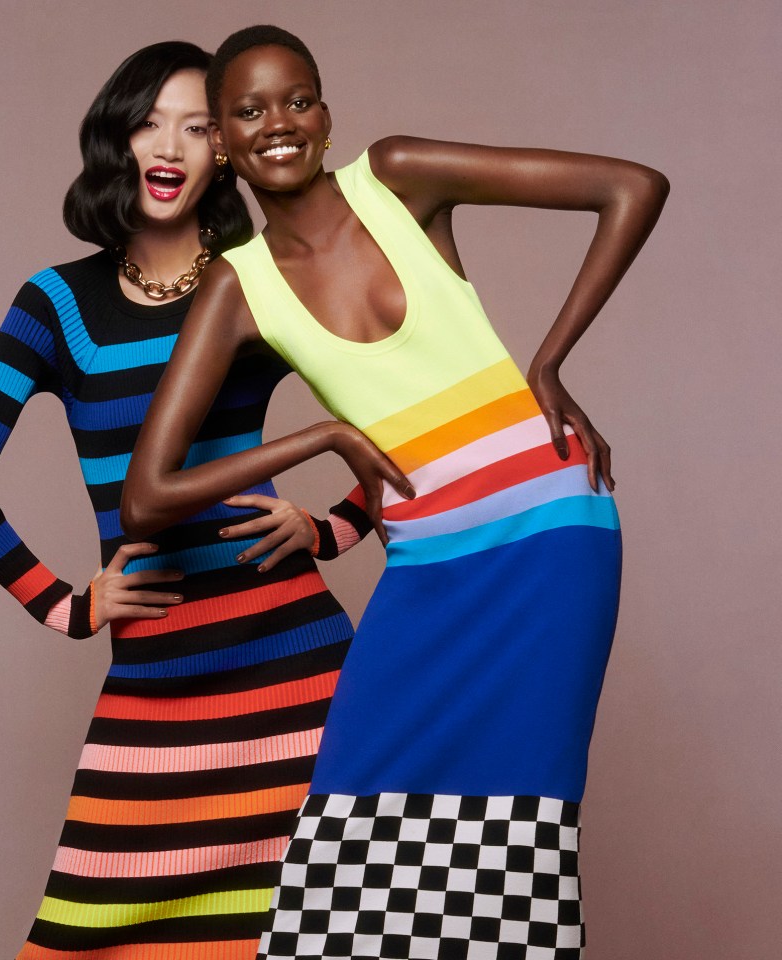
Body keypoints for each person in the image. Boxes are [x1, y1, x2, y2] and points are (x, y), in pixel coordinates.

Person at [119, 25, 669, 960]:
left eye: (298, 100)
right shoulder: (237, 289)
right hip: (426, 566)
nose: (279, 124)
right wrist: (323, 435)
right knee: (347, 837)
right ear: (219, 139)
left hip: (553, 538)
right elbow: (149, 496)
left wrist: (550, 356)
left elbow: (633, 187)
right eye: (249, 111)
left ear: (327, 117)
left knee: (520, 832)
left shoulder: (401, 176)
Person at [0, 40, 372, 960]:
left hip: (297, 670)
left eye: (202, 125)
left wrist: (327, 528)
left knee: (316, 936)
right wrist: (67, 603)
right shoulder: (56, 304)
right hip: (157, 680)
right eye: (149, 121)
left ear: (226, 153)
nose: (171, 145)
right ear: (118, 139)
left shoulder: (262, 280)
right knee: (87, 938)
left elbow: (401, 425)